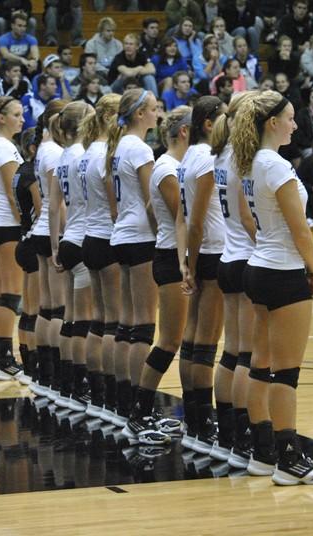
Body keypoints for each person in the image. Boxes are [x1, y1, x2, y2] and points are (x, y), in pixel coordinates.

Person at [229, 89, 313, 484]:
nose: (296, 123)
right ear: (272, 123)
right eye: (290, 117)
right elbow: (300, 229)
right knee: (285, 373)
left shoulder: (249, 162)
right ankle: (290, 460)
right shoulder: (275, 165)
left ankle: (263, 453)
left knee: (261, 363)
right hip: (284, 270)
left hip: (258, 266)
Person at [121, 105, 191, 444]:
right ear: (185, 132)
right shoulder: (167, 168)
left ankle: (196, 417)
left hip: (173, 253)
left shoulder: (173, 166)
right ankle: (138, 412)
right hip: (170, 257)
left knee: (190, 341)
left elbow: (153, 209)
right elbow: (183, 216)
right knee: (169, 341)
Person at [104, 88, 161, 425]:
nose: (158, 113)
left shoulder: (118, 146)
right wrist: (164, 236)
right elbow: (152, 198)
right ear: (140, 114)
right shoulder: (138, 148)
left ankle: (124, 401)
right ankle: (142, 407)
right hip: (141, 236)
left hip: (122, 234)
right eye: (154, 108)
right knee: (142, 326)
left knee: (125, 325)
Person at [176, 96, 228, 454]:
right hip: (213, 251)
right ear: (209, 123)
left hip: (204, 252)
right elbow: (194, 222)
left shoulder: (187, 157)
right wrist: (192, 263)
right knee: (206, 344)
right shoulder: (207, 159)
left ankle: (193, 416)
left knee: (193, 339)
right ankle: (202, 419)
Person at [209, 92, 257, 465]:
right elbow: (247, 217)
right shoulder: (243, 156)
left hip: (228, 256)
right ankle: (244, 440)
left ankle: (226, 433)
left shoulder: (221, 153)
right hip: (244, 258)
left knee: (231, 352)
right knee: (246, 355)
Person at [78, 93, 121, 419]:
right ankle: (111, 396)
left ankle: (96, 393)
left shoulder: (85, 152)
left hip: (89, 237)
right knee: (115, 322)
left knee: (99, 319)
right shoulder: (105, 154)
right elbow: (114, 203)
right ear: (110, 117)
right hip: (107, 237)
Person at [48, 101, 91, 407]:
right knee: (85, 320)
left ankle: (68, 382)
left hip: (68, 238)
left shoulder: (63, 156)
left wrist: (55, 246)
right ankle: (80, 384)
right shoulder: (83, 156)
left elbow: (53, 206)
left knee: (71, 317)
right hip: (86, 237)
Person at [0, 95, 27, 381]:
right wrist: (25, 223)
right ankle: (4, 357)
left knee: (1, 292)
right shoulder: (4, 148)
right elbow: (15, 192)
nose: (22, 119)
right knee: (10, 293)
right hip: (8, 224)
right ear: (1, 118)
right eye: (16, 114)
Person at [27, 99, 66, 398]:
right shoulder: (53, 150)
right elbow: (57, 202)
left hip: (41, 230)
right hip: (51, 231)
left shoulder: (44, 148)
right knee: (57, 309)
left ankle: (45, 374)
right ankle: (54, 375)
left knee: (47, 306)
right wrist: (61, 237)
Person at [13, 129, 42, 386]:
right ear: (33, 147)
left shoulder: (20, 170)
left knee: (28, 309)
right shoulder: (32, 173)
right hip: (33, 242)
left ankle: (27, 360)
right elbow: (42, 209)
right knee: (34, 310)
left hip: (23, 238)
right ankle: (33, 365)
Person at [0, 11, 39, 75]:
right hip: (8, 66)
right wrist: (21, 59)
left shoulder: (31, 38)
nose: (23, 29)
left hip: (24, 66)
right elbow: (5, 55)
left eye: (24, 26)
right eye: (19, 26)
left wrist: (34, 61)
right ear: (12, 26)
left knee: (36, 64)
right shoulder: (3, 39)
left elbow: (35, 53)